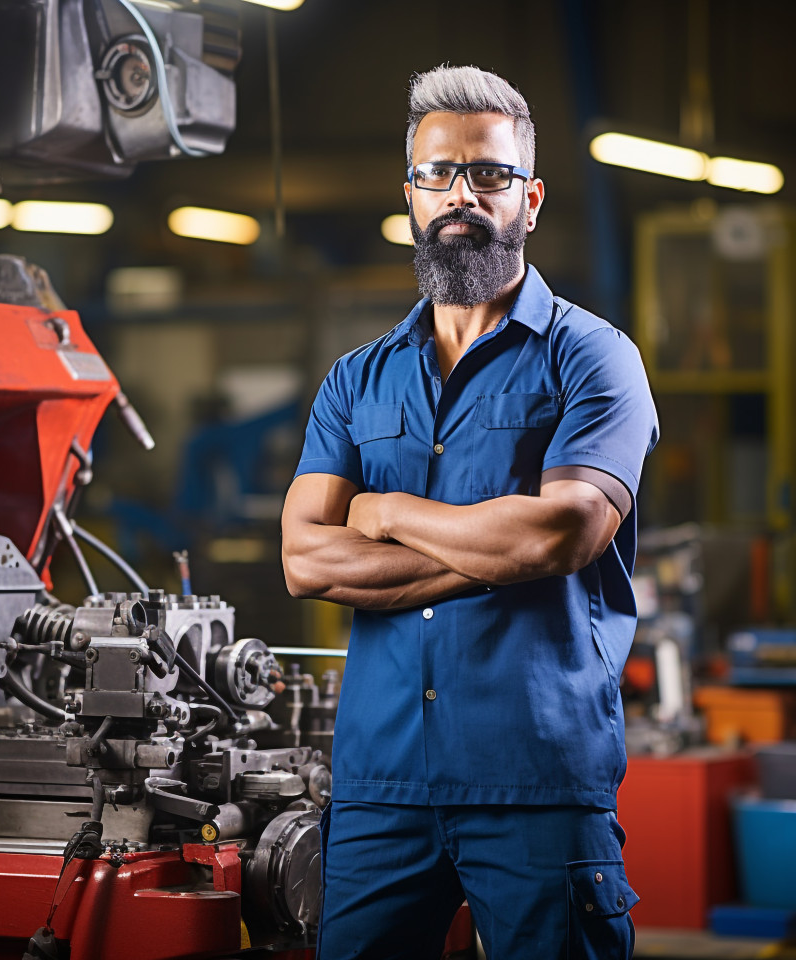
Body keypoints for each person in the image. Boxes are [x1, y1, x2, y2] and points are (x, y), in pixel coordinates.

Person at [280, 64, 659, 960]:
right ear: (410, 194)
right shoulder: (355, 380)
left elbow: (562, 531)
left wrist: (383, 508)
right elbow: (305, 561)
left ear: (528, 198)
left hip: (538, 780)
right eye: (438, 174)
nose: (462, 194)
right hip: (380, 787)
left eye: (487, 174)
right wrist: (501, 550)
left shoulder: (594, 360)